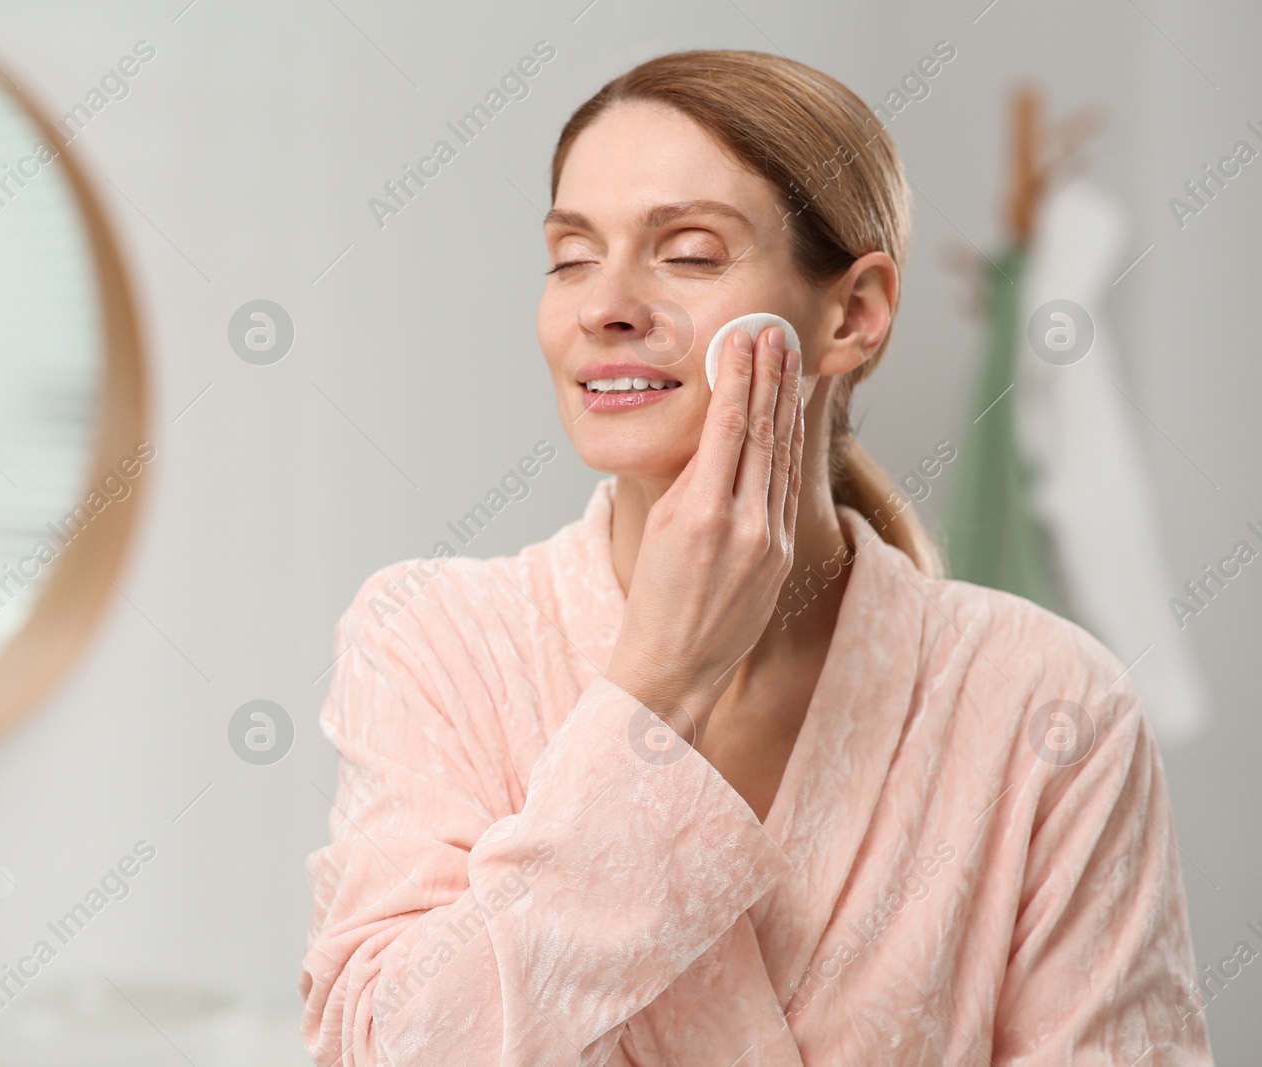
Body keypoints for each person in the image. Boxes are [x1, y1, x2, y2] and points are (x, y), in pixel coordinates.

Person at [299, 49, 1212, 1066]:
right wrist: (655, 689)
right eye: (570, 255)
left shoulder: (1048, 701)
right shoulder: (433, 642)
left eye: (687, 253)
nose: (604, 305)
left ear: (853, 313)